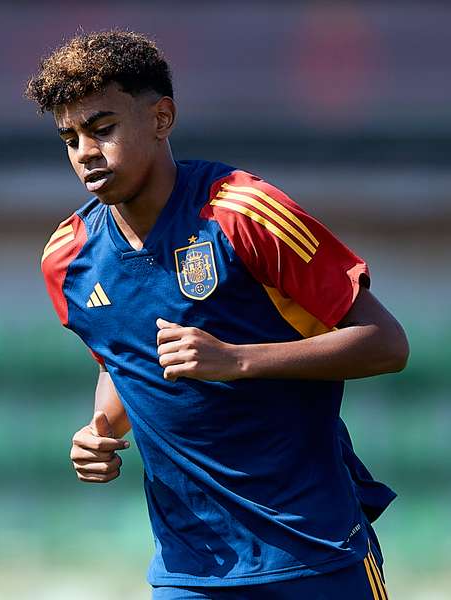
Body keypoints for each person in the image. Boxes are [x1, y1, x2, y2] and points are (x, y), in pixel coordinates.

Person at [27, 30, 408, 599]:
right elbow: (119, 361)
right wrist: (101, 428)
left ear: (161, 119)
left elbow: (385, 342)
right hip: (191, 571)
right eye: (70, 138)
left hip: (314, 552)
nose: (85, 152)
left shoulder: (243, 213)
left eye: (102, 129)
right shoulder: (69, 258)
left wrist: (236, 360)